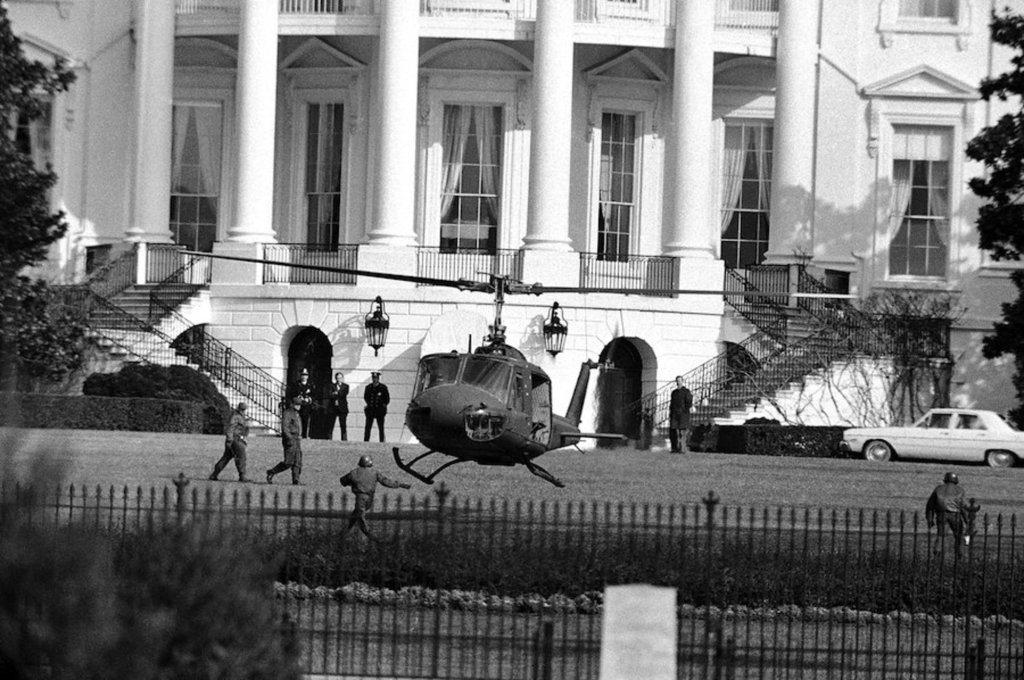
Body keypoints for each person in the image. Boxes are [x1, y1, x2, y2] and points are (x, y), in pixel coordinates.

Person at [339, 454, 410, 540]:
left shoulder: (354, 472)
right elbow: (386, 482)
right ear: (370, 463)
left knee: (359, 516)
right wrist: (400, 485)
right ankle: (344, 533)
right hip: (370, 499)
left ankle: (370, 536)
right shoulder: (374, 472)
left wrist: (352, 484)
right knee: (356, 515)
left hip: (360, 498)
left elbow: (343, 481)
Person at [926, 471, 968, 555]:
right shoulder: (959, 490)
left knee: (941, 535)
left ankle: (937, 553)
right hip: (955, 515)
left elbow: (930, 505)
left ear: (945, 480)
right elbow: (963, 506)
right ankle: (960, 554)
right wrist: (967, 520)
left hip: (941, 514)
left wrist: (930, 519)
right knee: (959, 535)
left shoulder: (938, 489)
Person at [267, 397, 303, 485]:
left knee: (298, 461)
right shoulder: (288, 413)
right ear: (293, 404)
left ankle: (296, 480)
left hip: (297, 439)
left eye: (299, 405)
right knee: (289, 462)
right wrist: (289, 438)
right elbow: (285, 428)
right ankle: (272, 472)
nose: (299, 407)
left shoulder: (296, 413)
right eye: (297, 405)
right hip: (290, 439)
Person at [210, 402, 249, 482]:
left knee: (226, 457)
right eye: (243, 409)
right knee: (241, 457)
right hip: (235, 439)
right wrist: (229, 440)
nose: (244, 411)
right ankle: (242, 476)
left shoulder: (239, 416)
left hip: (236, 439)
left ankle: (214, 475)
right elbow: (230, 429)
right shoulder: (236, 416)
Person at [668, 376, 693, 453]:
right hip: (675, 414)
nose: (678, 382)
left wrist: (685, 410)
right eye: (677, 381)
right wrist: (670, 413)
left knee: (683, 432)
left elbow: (689, 402)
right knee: (674, 432)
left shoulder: (686, 391)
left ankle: (683, 449)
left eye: (680, 381)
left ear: (682, 381)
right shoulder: (674, 392)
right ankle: (674, 448)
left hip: (683, 414)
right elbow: (672, 404)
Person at [363, 371, 390, 442]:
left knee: (381, 427)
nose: (375, 380)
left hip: (379, 410)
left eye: (376, 378)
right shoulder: (368, 387)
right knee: (368, 427)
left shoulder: (383, 387)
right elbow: (366, 397)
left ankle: (382, 441)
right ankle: (366, 441)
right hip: (371, 410)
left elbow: (387, 398)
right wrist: (368, 404)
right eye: (374, 378)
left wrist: (383, 405)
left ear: (378, 379)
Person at [290, 368, 316, 438]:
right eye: (302, 375)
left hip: (307, 406)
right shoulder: (296, 384)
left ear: (307, 376)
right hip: (298, 405)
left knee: (306, 421)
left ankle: (305, 435)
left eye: (305, 375)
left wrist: (309, 399)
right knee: (297, 421)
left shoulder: (311, 385)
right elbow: (292, 393)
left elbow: (314, 395)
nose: (304, 377)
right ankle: (297, 434)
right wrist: (298, 398)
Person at [327, 371, 350, 441]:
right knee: (331, 424)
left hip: (342, 408)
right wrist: (336, 393)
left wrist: (336, 393)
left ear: (342, 378)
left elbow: (343, 394)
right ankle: (329, 438)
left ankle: (344, 439)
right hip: (333, 408)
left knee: (343, 424)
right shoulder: (332, 386)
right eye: (337, 378)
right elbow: (330, 395)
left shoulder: (346, 386)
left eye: (340, 378)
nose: (338, 379)